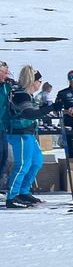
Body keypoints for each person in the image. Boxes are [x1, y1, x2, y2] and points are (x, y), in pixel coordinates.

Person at [5, 66, 51, 208]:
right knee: (23, 164)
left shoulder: (27, 95)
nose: (40, 84)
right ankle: (12, 196)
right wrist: (50, 108)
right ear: (33, 81)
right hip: (20, 133)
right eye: (39, 81)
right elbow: (28, 114)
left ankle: (23, 191)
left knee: (37, 161)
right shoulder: (21, 94)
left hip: (28, 132)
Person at [0, 61, 10, 190]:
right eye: (4, 72)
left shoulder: (7, 86)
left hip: (4, 125)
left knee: (4, 156)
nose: (6, 74)